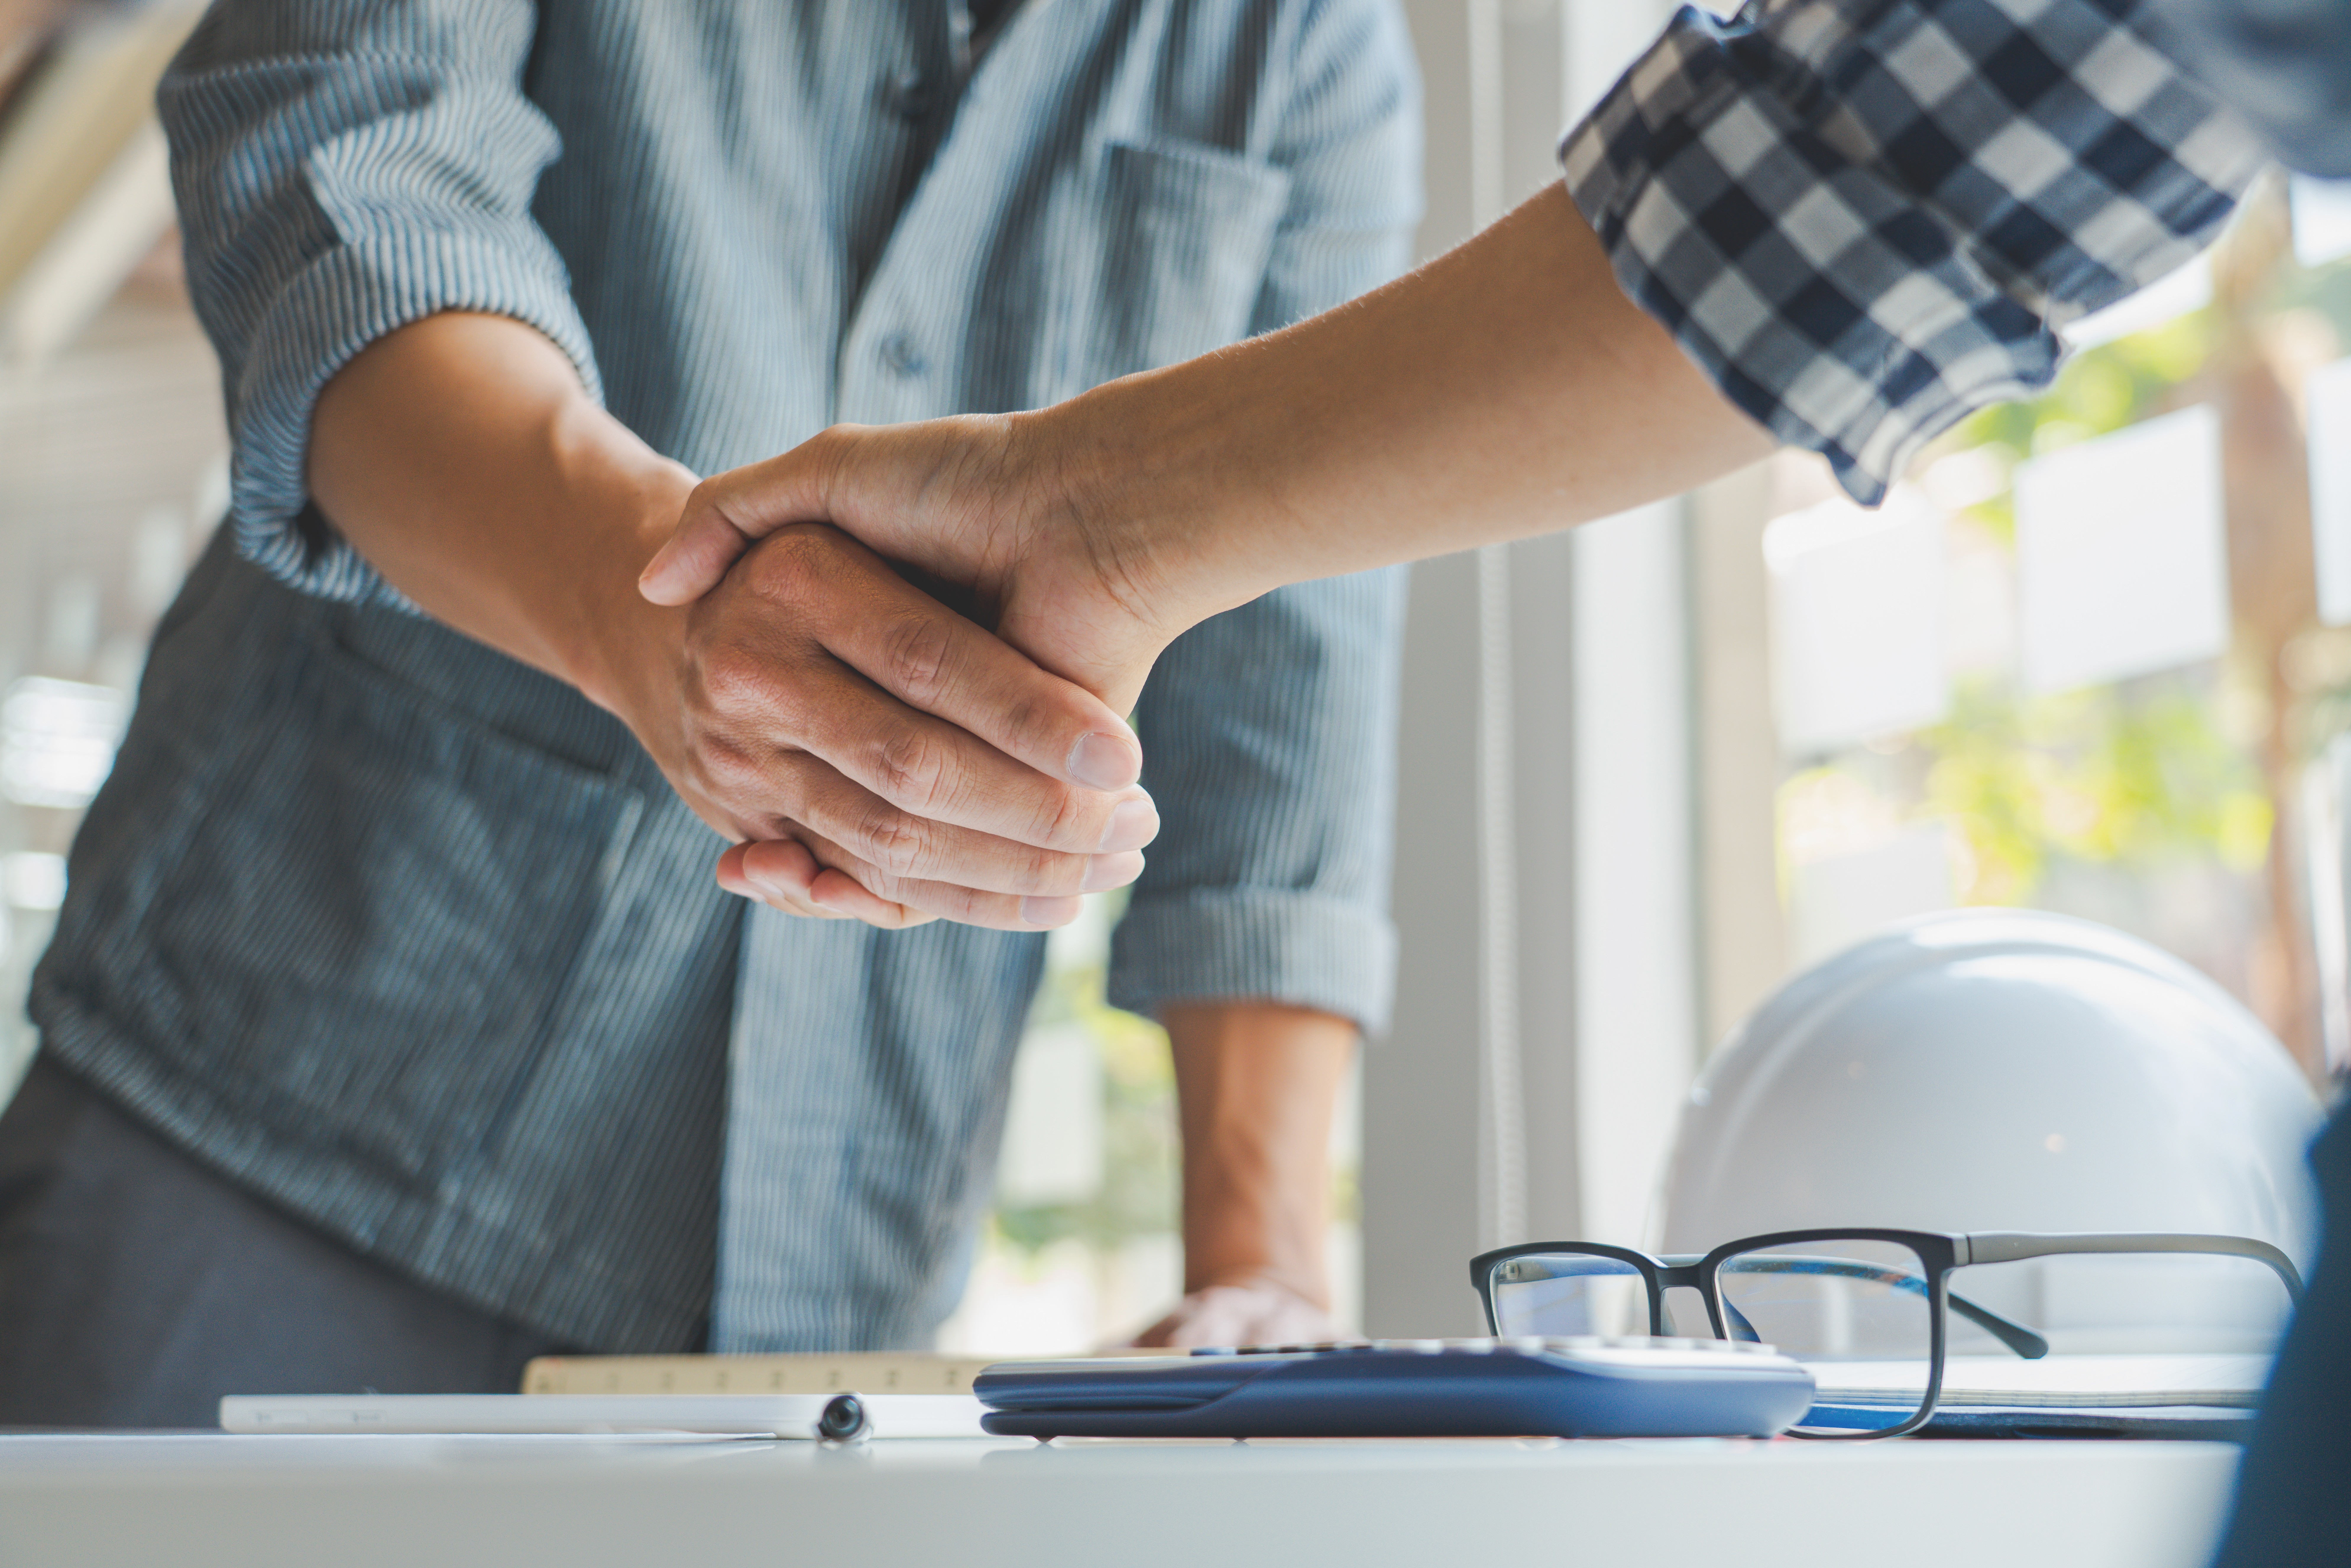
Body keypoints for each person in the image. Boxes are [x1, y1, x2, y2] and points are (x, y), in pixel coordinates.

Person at [637, 1, 2344, 1561]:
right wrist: (1069, 521)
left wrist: (1261, 1260)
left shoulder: (1295, 50)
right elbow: (1897, 156)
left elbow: (1889, 162)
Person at [0, 0, 1421, 1424]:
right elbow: (343, 178)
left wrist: (1260, 1271)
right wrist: (655, 618)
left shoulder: (1306, 45)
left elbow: (1290, 677)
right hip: (261, 1116)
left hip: (810, 1276)